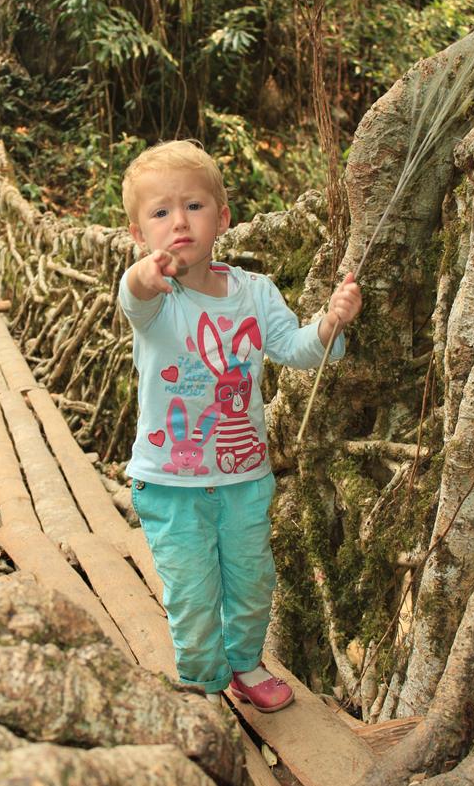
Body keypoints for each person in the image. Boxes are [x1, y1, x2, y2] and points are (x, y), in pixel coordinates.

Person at [118, 140, 362, 710]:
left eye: (194, 206)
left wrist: (328, 325)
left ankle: (246, 665)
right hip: (171, 484)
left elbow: (294, 348)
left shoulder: (255, 292)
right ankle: (203, 682)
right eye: (160, 212)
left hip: (245, 476)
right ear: (138, 234)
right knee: (193, 592)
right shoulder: (157, 300)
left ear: (222, 217)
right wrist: (142, 277)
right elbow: (132, 297)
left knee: (252, 584)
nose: (179, 221)